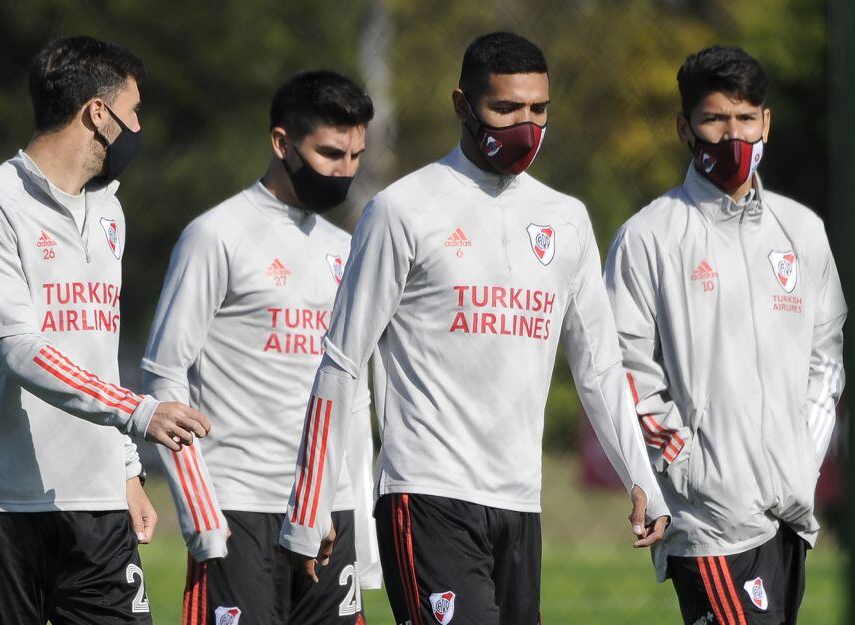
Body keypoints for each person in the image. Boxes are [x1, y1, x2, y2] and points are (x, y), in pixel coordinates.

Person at [278, 31, 670, 625]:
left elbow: (599, 367)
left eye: (538, 110)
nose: (526, 126)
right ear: (462, 105)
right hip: (427, 495)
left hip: (520, 505)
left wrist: (640, 476)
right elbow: (342, 361)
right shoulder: (403, 210)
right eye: (505, 109)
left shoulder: (565, 219)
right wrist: (313, 503)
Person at [0, 36, 209, 625]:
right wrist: (138, 412)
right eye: (134, 113)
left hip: (99, 508)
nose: (140, 128)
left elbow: (95, 352)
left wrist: (127, 470)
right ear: (98, 115)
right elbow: (18, 348)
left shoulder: (110, 212)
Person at [605, 45, 846, 625]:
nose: (732, 134)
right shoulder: (649, 236)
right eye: (715, 119)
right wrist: (684, 462)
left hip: (789, 511)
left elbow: (827, 358)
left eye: (745, 118)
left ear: (766, 122)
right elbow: (621, 365)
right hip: (708, 518)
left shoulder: (803, 231)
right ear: (685, 127)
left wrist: (802, 461)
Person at [141, 70, 379, 625]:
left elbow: (356, 396)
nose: (344, 171)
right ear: (281, 144)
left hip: (327, 513)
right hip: (240, 510)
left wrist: (359, 529)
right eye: (329, 153)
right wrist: (202, 515)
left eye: (355, 156)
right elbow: (164, 376)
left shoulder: (349, 249)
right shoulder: (216, 235)